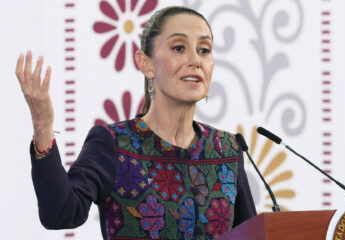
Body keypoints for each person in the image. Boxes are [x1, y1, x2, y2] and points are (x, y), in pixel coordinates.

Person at [15, 6, 256, 240]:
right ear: (146, 63)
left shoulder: (227, 149)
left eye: (204, 50)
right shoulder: (112, 143)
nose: (195, 60)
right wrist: (43, 125)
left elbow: (252, 233)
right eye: (179, 47)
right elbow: (60, 214)